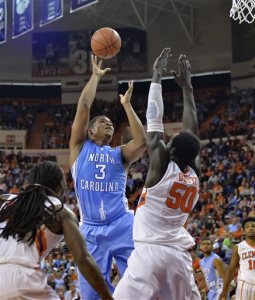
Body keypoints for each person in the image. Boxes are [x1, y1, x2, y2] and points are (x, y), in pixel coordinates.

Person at [113, 48, 201, 299]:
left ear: (170, 150)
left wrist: (156, 77)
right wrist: (188, 89)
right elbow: (191, 130)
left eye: (169, 141)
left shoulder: (162, 166)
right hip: (178, 258)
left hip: (149, 254)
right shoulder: (195, 174)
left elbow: (154, 118)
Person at [69, 55, 146, 299]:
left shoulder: (119, 154)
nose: (109, 124)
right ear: (90, 131)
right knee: (91, 295)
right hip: (90, 231)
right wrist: (95, 77)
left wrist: (127, 105)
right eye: (103, 122)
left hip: (122, 223)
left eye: (111, 123)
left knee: (143, 282)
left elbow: (142, 142)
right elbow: (83, 106)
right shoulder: (79, 148)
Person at [0, 161, 113, 300]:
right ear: (61, 186)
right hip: (23, 280)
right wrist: (107, 296)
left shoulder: (6, 202)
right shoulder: (60, 211)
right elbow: (82, 258)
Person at [219, 217, 255, 300]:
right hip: (244, 285)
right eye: (247, 227)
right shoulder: (238, 247)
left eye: (253, 226)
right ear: (243, 230)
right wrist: (224, 290)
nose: (250, 228)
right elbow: (231, 269)